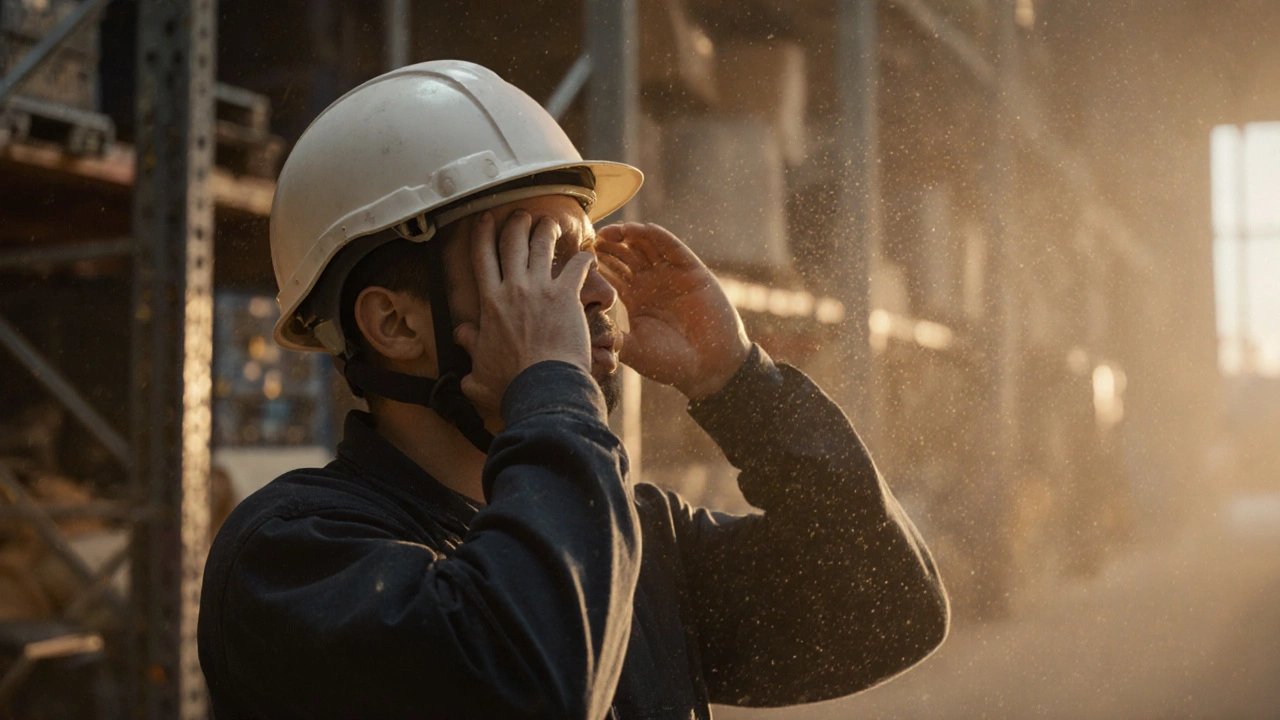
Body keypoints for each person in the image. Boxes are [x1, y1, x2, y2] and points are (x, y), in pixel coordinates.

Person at [197, 60, 949, 720]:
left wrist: (739, 383)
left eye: (586, 252)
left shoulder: (631, 544)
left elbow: (886, 605)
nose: (593, 291)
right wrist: (550, 390)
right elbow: (534, 684)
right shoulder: (293, 559)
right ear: (394, 323)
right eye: (539, 259)